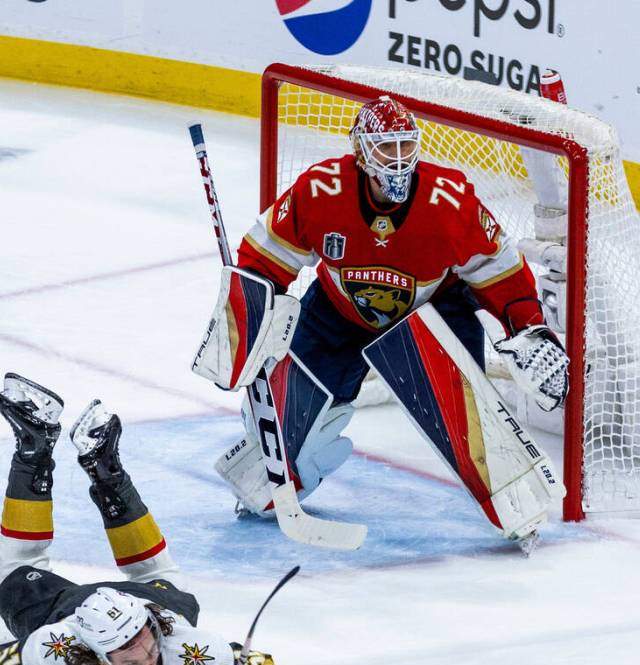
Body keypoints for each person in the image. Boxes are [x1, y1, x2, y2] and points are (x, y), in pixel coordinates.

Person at [204, 95, 569, 548]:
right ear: (360, 151)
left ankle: (520, 503)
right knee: (286, 427)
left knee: (469, 417)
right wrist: (246, 316)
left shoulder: (449, 202)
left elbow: (500, 270)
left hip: (432, 311)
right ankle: (275, 478)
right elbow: (264, 257)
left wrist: (528, 327)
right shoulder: (321, 191)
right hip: (336, 312)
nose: (397, 159)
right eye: (384, 148)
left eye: (404, 146)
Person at [0, 374, 295, 665]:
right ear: (96, 658)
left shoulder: (191, 650)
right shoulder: (55, 651)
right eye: (131, 662)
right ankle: (76, 464)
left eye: (148, 649)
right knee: (147, 572)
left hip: (153, 603)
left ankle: (53, 454)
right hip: (63, 609)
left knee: (29, 574)